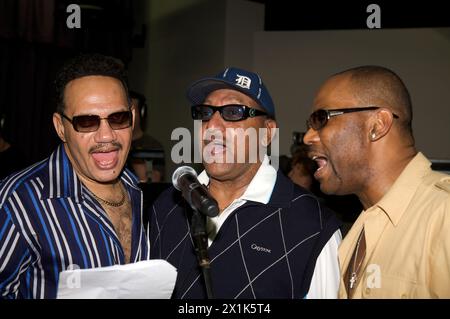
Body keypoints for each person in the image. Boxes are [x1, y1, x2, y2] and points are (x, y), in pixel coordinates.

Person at [149, 67, 342, 299]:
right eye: (205, 112)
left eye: (233, 112)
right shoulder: (167, 207)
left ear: (267, 133)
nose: (211, 126)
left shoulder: (313, 226)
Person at [0, 53, 150, 299]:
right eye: (87, 122)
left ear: (132, 120)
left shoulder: (148, 197)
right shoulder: (18, 202)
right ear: (61, 127)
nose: (106, 136)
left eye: (118, 118)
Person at [303, 65, 450, 298]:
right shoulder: (354, 236)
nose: (308, 137)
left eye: (321, 119)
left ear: (377, 125)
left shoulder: (443, 216)